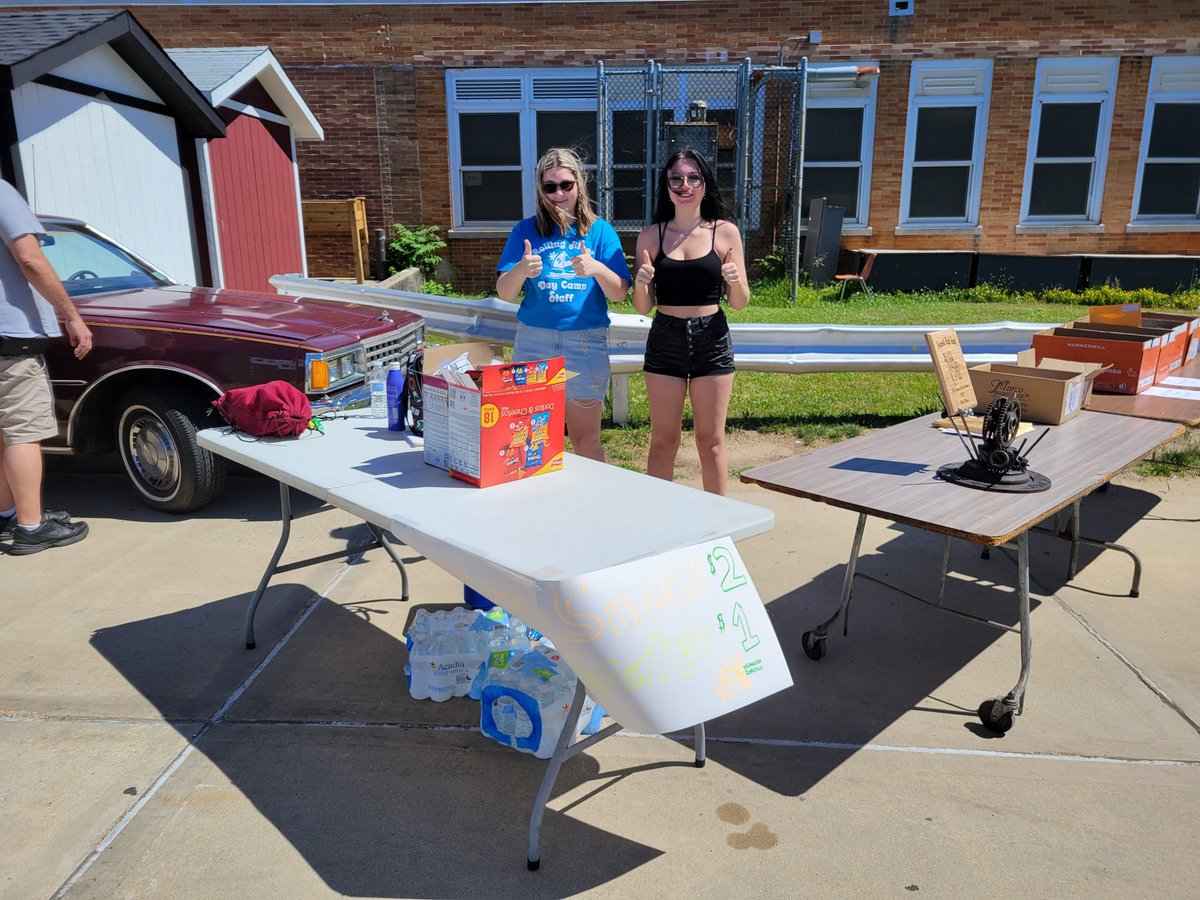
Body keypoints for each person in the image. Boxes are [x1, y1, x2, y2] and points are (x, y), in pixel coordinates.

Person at [496, 147, 631, 462]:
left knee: (585, 439)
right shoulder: (525, 230)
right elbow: (505, 292)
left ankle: (592, 496)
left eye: (566, 185)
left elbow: (619, 293)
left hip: (585, 342)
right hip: (534, 342)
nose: (559, 194)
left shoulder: (600, 231)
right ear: (540, 190)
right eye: (550, 186)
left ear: (579, 184)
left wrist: (596, 268)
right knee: (530, 440)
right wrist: (521, 269)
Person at [632, 149, 749, 496]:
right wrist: (641, 282)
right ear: (667, 187)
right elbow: (643, 307)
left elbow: (740, 302)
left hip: (711, 338)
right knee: (664, 440)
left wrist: (734, 280)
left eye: (694, 177)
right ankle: (661, 518)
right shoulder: (651, 236)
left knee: (710, 442)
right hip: (665, 339)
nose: (685, 185)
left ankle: (717, 518)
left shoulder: (725, 232)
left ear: (705, 185)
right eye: (677, 178)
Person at [0, 179, 93, 554]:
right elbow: (30, 259)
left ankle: (7, 514)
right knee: (22, 431)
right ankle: (31, 526)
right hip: (10, 340)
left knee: (2, 432)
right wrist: (71, 315)